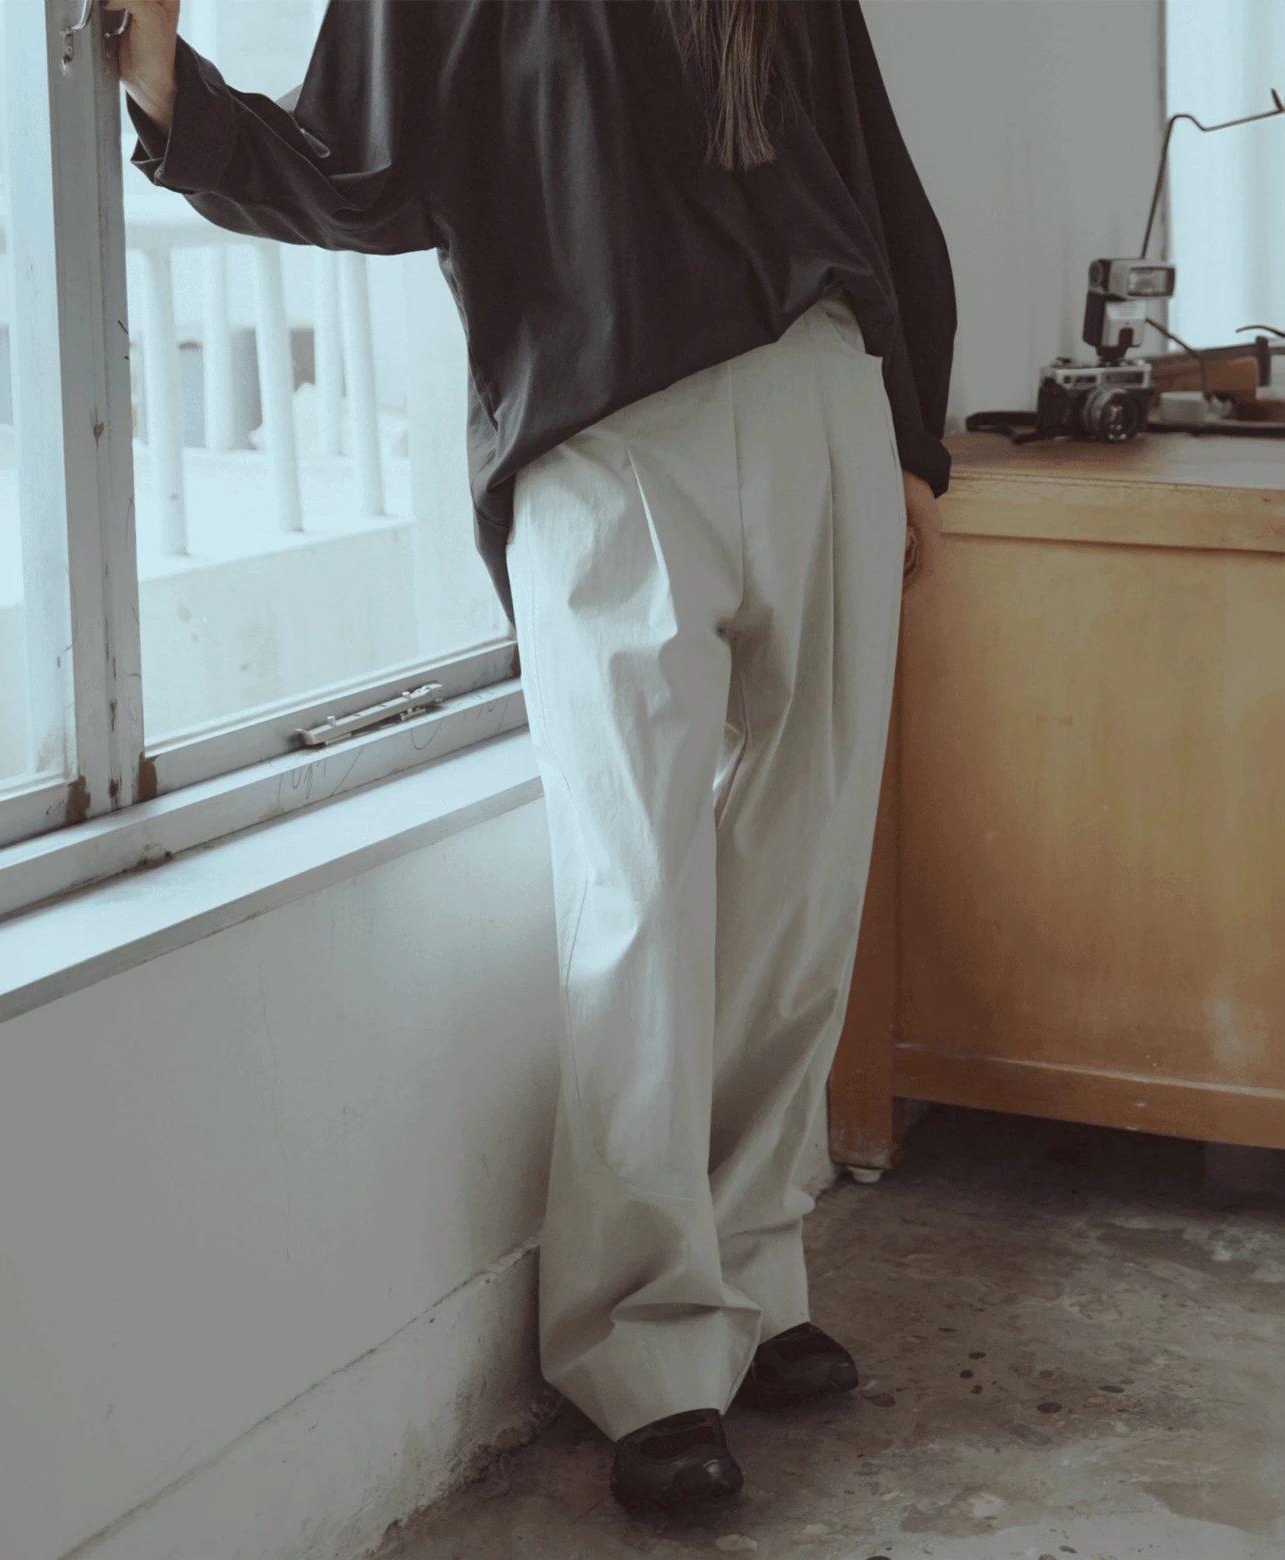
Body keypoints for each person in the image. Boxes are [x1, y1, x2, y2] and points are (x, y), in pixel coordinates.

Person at [112, 0, 956, 1513]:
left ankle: (753, 1263)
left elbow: (870, 157)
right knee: (637, 898)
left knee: (806, 869)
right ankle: (650, 1346)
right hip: (602, 422)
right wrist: (175, 95)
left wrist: (912, 428)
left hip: (823, 382)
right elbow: (361, 160)